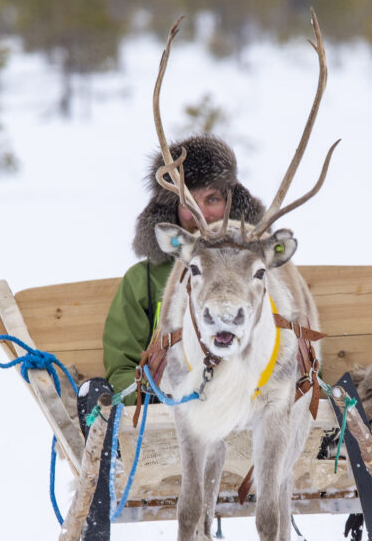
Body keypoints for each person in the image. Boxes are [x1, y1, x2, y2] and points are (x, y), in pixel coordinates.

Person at [101, 134, 265, 404]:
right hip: (168, 412)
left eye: (212, 199)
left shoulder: (261, 275)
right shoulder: (143, 281)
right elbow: (121, 370)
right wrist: (159, 399)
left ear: (232, 205)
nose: (202, 215)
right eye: (188, 203)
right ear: (172, 211)